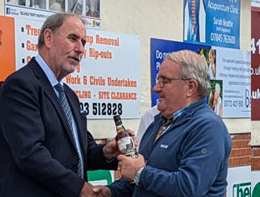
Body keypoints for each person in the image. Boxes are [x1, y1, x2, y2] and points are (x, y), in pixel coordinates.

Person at [0, 13, 121, 197]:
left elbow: (80, 151)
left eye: (83, 42)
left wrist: (106, 153)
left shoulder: (68, 96)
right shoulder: (20, 86)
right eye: (73, 38)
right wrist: (80, 188)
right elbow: (30, 154)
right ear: (49, 38)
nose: (80, 49)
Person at [94, 50, 232, 197]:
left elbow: (189, 187)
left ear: (190, 87)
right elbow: (137, 179)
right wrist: (111, 192)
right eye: (157, 80)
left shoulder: (208, 127)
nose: (156, 88)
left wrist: (140, 173)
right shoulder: (158, 122)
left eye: (164, 81)